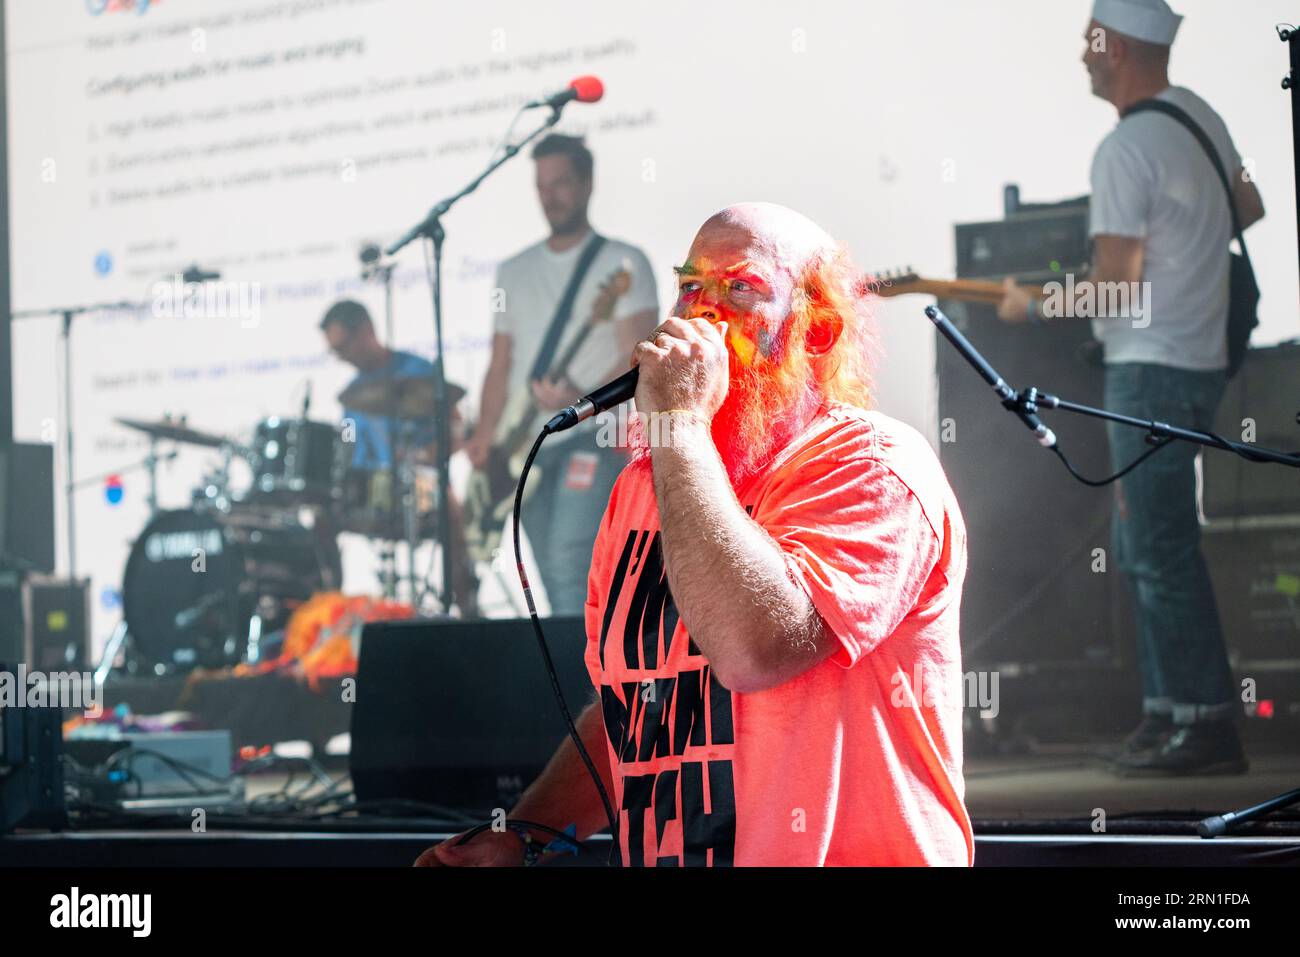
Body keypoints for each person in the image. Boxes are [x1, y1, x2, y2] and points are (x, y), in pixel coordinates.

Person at [417, 202, 973, 867]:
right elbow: (632, 714)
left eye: (740, 288)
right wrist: (527, 834)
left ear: (817, 333)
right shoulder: (639, 492)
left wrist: (678, 424)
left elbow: (751, 650)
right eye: (689, 286)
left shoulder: (872, 465)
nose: (698, 315)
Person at [997, 0, 1264, 775]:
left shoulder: (1123, 150)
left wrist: (1034, 301)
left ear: (1114, 45)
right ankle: (1167, 711)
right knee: (1145, 541)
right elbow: (1249, 205)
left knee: (1157, 545)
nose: (1082, 57)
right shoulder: (1201, 117)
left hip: (1149, 365)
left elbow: (1113, 290)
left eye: (1090, 42)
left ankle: (1206, 721)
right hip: (1199, 355)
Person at [462, 134, 659, 616]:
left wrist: (582, 397)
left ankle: (589, 685)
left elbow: (641, 357)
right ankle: (583, 679)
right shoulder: (514, 269)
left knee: (571, 559)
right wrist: (486, 438)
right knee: (551, 573)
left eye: (562, 183)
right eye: (542, 186)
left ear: (588, 184)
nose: (551, 196)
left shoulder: (623, 262)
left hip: (591, 436)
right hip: (525, 449)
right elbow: (500, 364)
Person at [320, 299, 477, 614]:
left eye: (344, 347)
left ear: (366, 331)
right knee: (320, 517)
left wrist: (427, 455)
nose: (342, 358)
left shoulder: (417, 372)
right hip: (370, 490)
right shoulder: (352, 394)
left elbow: (456, 432)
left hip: (418, 484)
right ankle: (329, 612)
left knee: (450, 508)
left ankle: (467, 609)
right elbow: (349, 457)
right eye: (334, 351)